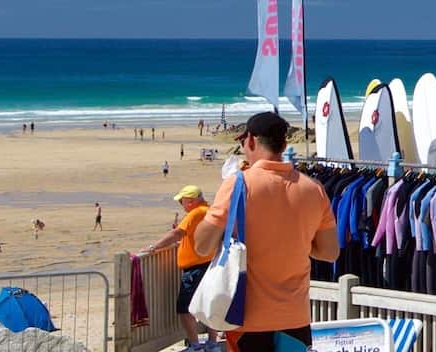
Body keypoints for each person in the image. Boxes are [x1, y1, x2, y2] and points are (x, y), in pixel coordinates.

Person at [195, 112, 337, 352]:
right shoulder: (314, 189)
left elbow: (202, 245)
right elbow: (329, 252)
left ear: (250, 140)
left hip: (246, 319)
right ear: (284, 144)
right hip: (295, 318)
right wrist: (297, 238)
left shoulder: (238, 184)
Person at [142, 185, 219, 348]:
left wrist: (153, 247)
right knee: (208, 305)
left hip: (196, 268)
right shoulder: (209, 210)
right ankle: (213, 343)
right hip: (208, 264)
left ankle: (195, 345)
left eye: (182, 202)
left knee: (185, 309)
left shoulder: (196, 213)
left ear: (190, 201)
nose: (181, 205)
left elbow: (177, 233)